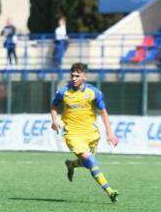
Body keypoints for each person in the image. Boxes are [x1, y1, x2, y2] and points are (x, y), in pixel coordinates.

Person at [50, 62, 119, 203]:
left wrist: (110, 133)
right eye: (72, 76)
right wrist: (54, 120)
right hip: (72, 134)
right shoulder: (64, 92)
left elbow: (104, 112)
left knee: (88, 163)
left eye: (77, 75)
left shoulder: (94, 92)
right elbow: (53, 105)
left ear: (85, 77)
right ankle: (110, 191)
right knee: (91, 160)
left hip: (91, 133)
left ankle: (71, 164)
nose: (74, 78)